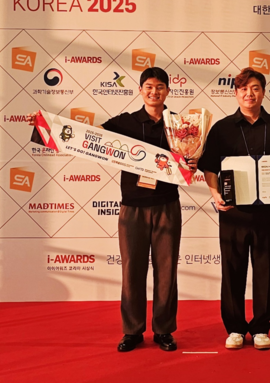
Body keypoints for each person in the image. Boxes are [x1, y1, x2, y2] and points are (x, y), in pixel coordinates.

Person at [28, 67, 196, 352]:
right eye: (148, 86)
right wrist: (45, 126)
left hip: (167, 205)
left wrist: (192, 162)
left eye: (160, 87)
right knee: (132, 270)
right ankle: (132, 331)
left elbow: (193, 158)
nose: (154, 92)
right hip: (132, 207)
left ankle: (164, 330)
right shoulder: (125, 122)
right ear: (140, 90)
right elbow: (86, 138)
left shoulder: (180, 126)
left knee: (167, 272)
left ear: (168, 91)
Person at [198, 68, 270, 350]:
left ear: (263, 92)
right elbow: (209, 168)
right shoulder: (222, 129)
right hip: (233, 213)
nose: (249, 94)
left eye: (255, 88)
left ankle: (261, 328)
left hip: (268, 213)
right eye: (243, 89)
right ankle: (234, 328)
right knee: (232, 270)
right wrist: (215, 194)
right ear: (236, 93)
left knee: (265, 271)